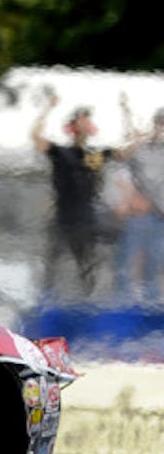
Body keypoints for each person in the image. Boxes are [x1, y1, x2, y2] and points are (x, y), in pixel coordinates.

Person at [31, 95, 113, 297]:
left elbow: (126, 152)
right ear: (72, 126)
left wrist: (128, 115)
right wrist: (48, 109)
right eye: (81, 120)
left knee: (86, 266)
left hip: (85, 219)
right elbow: (36, 137)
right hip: (62, 218)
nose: (85, 123)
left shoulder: (95, 155)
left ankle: (86, 302)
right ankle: (46, 299)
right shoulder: (60, 152)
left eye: (87, 120)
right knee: (52, 265)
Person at [115, 100, 164, 302]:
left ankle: (151, 305)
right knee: (127, 264)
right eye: (161, 123)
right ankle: (122, 304)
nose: (163, 128)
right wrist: (129, 197)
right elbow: (120, 165)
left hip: (161, 217)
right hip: (141, 215)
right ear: (155, 125)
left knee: (155, 263)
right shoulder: (141, 149)